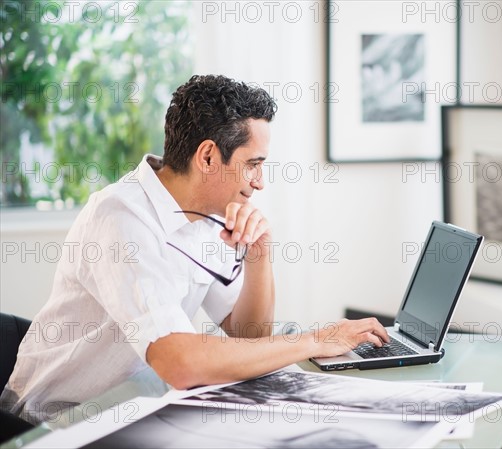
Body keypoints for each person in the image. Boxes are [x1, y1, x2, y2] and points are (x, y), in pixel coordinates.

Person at [1, 75, 389, 425]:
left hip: (137, 411)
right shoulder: (121, 218)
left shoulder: (208, 215)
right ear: (207, 157)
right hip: (54, 426)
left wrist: (259, 253)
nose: (260, 182)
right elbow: (180, 362)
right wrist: (316, 339)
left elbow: (249, 336)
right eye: (253, 164)